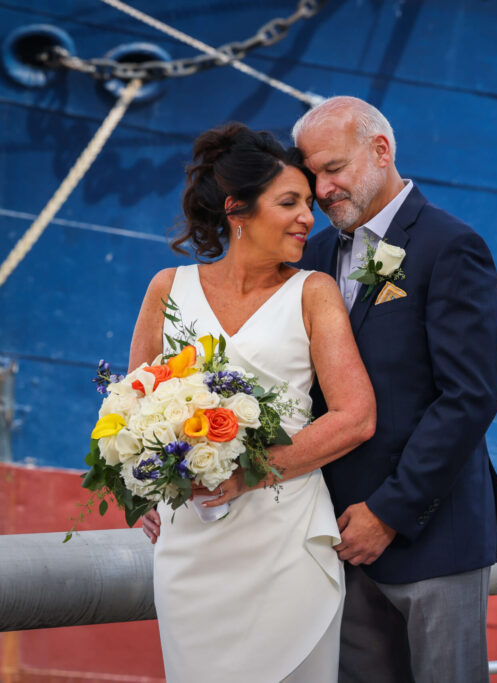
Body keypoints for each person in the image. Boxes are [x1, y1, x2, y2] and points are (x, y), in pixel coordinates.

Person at [291, 96, 497, 682]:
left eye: (334, 169)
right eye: (311, 175)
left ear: (381, 151)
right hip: (335, 542)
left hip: (433, 536)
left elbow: (469, 397)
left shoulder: (451, 246)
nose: (321, 190)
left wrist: (389, 512)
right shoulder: (314, 255)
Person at [133, 122, 375, 682]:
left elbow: (356, 417)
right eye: (289, 202)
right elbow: (134, 405)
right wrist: (137, 483)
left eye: (309, 204)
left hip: (283, 540)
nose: (308, 219)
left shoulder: (313, 292)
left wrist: (247, 474)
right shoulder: (167, 289)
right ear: (237, 210)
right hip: (190, 546)